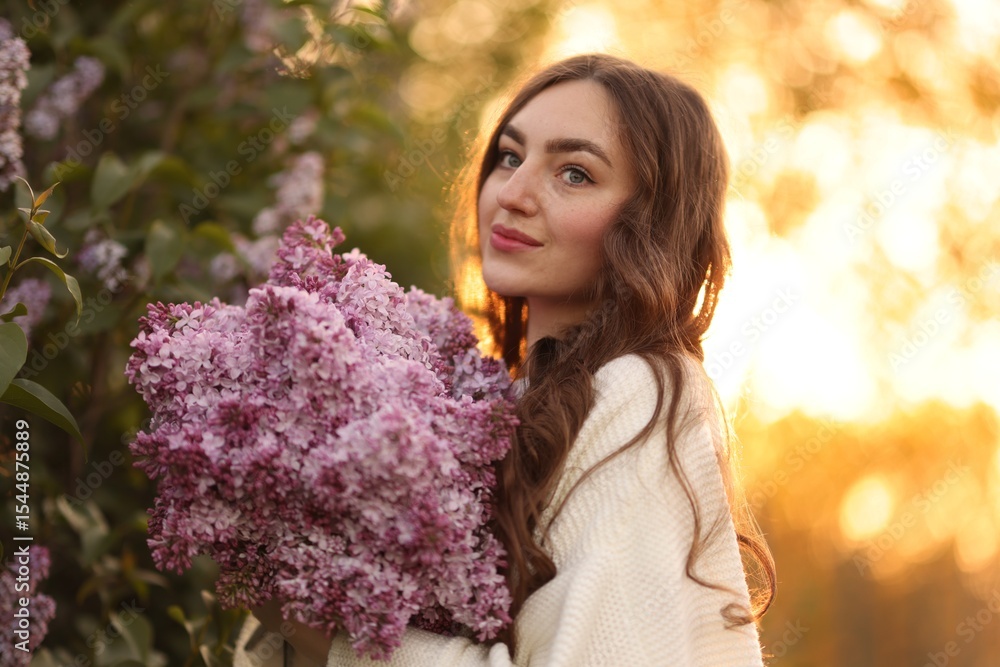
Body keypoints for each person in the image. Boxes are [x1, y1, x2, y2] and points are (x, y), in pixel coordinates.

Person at [234, 52, 775, 666]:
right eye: (510, 158)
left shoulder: (639, 390)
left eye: (574, 173)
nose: (513, 194)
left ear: (649, 222)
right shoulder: (496, 400)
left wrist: (324, 632)